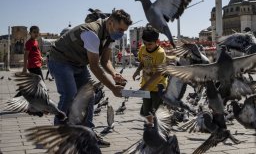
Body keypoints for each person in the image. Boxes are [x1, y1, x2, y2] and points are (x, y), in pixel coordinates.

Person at [48, 9, 132, 147]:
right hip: (60, 60)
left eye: (124, 31)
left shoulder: (111, 35)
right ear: (110, 23)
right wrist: (112, 88)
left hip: (78, 63)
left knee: (90, 94)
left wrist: (114, 74)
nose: (122, 33)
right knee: (69, 95)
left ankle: (88, 135)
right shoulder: (92, 33)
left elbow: (105, 61)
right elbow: (94, 66)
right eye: (121, 29)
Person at [132, 26, 168, 126]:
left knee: (156, 110)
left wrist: (144, 87)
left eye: (150, 44)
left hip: (158, 87)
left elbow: (158, 73)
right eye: (145, 43)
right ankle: (149, 126)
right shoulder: (143, 49)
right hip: (146, 86)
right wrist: (137, 71)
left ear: (157, 41)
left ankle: (157, 129)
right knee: (146, 109)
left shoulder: (160, 53)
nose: (147, 46)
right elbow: (142, 62)